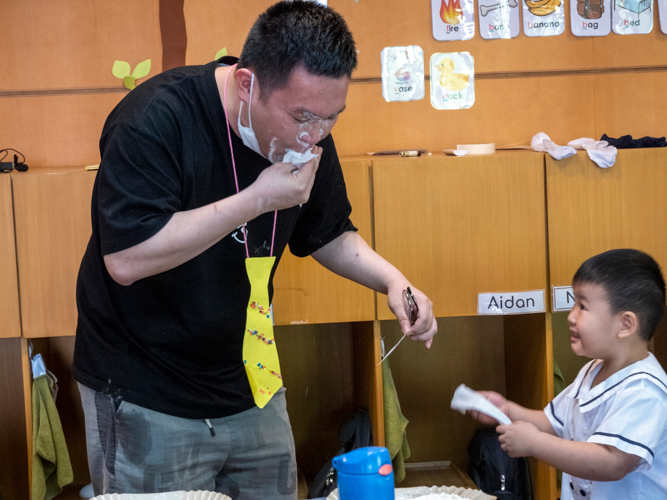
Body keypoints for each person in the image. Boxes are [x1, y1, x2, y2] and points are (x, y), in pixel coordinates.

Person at [72, 1, 437, 499]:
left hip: (252, 379)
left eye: (331, 118)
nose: (316, 137)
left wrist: (393, 280)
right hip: (146, 389)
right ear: (247, 84)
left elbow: (327, 231)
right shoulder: (153, 120)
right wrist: (256, 199)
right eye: (303, 117)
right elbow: (127, 259)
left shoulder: (312, 136)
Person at [468, 249, 667, 499]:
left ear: (625, 324)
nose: (571, 316)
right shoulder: (592, 370)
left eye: (583, 306)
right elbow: (553, 422)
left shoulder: (644, 390)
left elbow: (611, 462)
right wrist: (506, 410)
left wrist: (535, 444)